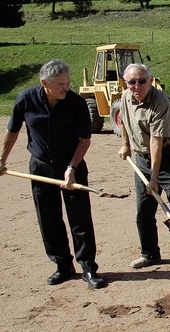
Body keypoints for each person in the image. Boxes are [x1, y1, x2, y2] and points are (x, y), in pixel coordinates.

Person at [0, 59, 106, 289]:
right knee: (48, 219)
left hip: (72, 166)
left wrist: (71, 168)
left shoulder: (76, 103)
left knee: (80, 220)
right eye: (61, 84)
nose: (66, 87)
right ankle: (63, 266)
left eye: (68, 82)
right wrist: (2, 160)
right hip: (40, 168)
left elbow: (84, 140)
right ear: (44, 83)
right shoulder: (26, 99)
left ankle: (88, 268)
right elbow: (13, 131)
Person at [117, 63, 170, 276]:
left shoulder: (161, 102)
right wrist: (125, 144)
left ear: (150, 81)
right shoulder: (126, 96)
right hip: (142, 157)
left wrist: (153, 178)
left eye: (142, 81)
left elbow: (156, 142)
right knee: (144, 209)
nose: (137, 86)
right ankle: (150, 253)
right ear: (126, 82)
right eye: (132, 82)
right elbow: (123, 120)